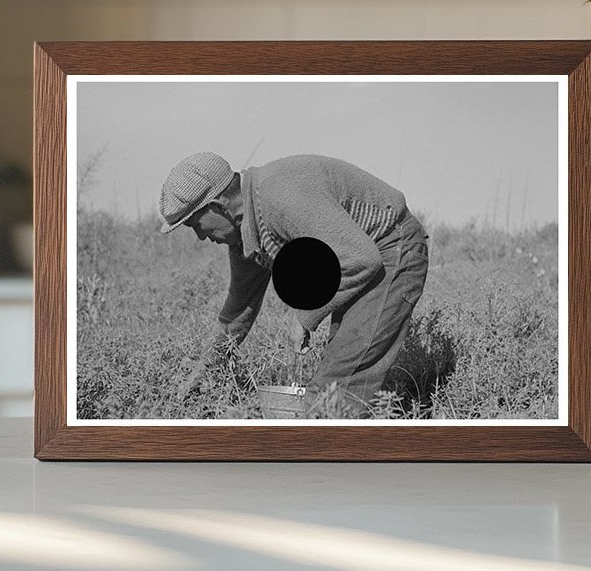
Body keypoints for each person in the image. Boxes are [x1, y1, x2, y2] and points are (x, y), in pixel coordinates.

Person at [159, 151, 430, 417]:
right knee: (338, 377)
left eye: (196, 225)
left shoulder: (278, 199)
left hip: (391, 248)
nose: (200, 237)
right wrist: (196, 378)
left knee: (333, 391)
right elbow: (236, 313)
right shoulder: (248, 228)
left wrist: (304, 317)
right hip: (366, 256)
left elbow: (361, 259)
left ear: (219, 207)